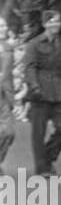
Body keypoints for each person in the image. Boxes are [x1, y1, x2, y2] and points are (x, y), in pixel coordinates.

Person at [25, 10, 61, 176]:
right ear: (44, 24)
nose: (56, 25)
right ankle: (42, 168)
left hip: (60, 90)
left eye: (58, 21)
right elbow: (30, 66)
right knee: (38, 133)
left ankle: (48, 157)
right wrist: (34, 86)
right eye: (52, 22)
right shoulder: (34, 44)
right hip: (40, 90)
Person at [0, 21, 16, 176]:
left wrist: (13, 97)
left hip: (4, 95)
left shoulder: (8, 48)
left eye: (5, 25)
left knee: (8, 133)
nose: (4, 28)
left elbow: (8, 75)